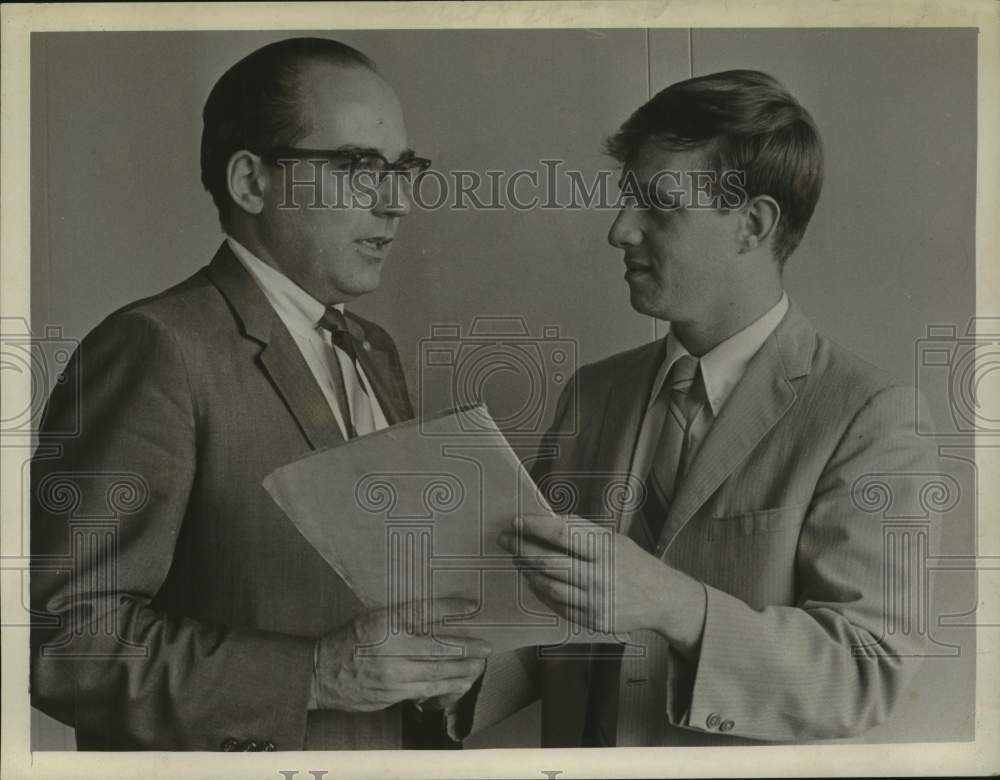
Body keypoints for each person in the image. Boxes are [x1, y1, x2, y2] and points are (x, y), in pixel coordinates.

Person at [29, 37, 489, 751]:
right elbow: (67, 647)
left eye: (403, 171)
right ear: (251, 183)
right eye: (354, 168)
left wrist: (441, 672)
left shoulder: (374, 351)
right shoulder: (158, 348)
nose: (396, 203)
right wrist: (314, 676)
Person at [466, 69, 939, 746]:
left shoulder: (869, 416)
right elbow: (546, 625)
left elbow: (866, 671)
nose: (620, 231)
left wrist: (675, 604)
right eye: (627, 200)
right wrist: (453, 676)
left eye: (658, 206)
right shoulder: (591, 395)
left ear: (751, 225)